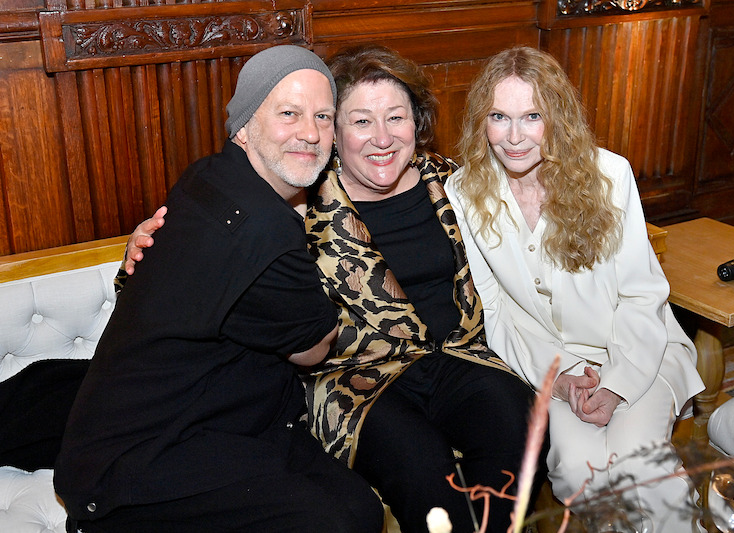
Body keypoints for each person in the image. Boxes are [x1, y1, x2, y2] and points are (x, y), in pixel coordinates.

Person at [125, 45, 537, 533]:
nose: (382, 138)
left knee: (519, 425)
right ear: (334, 133)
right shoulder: (295, 202)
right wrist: (138, 248)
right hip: (356, 383)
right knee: (421, 465)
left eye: (396, 118)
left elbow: (531, 257)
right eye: (361, 121)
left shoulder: (454, 185)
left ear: (416, 124)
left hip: (461, 357)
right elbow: (196, 258)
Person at [54, 45, 384, 533]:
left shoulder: (206, 177)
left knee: (358, 507)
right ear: (244, 125)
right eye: (289, 113)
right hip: (152, 456)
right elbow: (314, 349)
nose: (311, 133)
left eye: (322, 116)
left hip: (225, 410)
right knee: (344, 517)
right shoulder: (262, 226)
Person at [444, 46, 706, 530]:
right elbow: (497, 311)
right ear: (482, 121)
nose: (515, 137)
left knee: (639, 461)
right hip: (554, 367)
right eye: (499, 117)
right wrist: (559, 379)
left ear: (557, 117)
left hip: (637, 347)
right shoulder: (464, 192)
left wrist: (618, 384)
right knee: (579, 471)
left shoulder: (609, 175)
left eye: (532, 116)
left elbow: (641, 295)